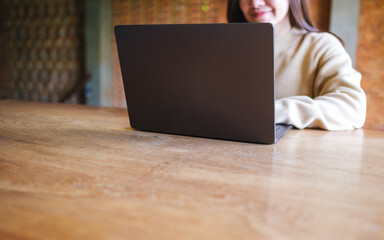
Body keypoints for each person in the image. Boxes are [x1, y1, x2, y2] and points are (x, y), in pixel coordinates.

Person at [227, 0, 366, 130]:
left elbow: (352, 108)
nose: (255, 3)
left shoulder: (321, 45)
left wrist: (274, 111)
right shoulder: (225, 48)